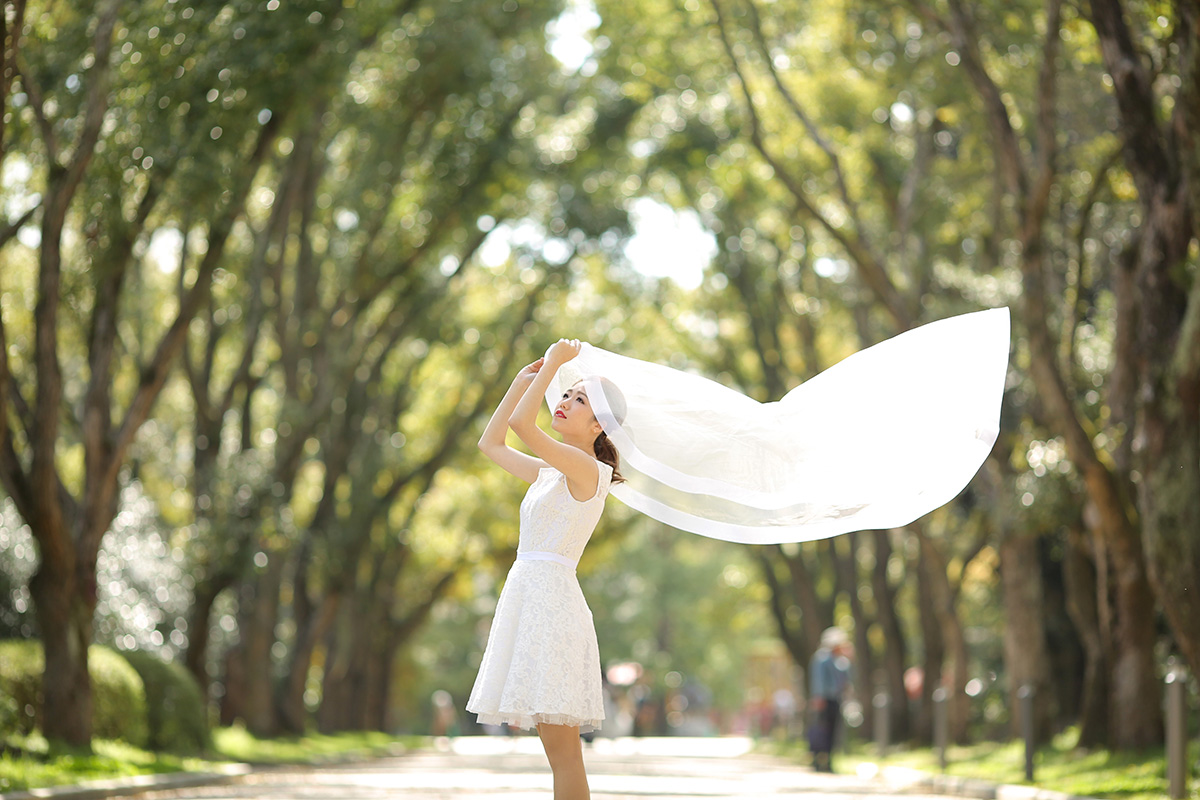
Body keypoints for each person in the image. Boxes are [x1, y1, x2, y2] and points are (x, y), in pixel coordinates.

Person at [466, 339, 623, 800]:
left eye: (579, 400)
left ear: (599, 425)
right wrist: (520, 380)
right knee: (555, 746)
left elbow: (521, 425)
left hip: (553, 610)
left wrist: (555, 363)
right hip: (532, 601)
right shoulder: (551, 471)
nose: (565, 402)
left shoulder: (588, 469)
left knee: (563, 750)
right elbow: (490, 442)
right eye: (566, 394)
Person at [808, 626, 853, 773]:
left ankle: (828, 760)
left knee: (833, 731)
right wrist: (819, 697)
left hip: (835, 699)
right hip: (824, 700)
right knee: (822, 729)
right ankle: (817, 758)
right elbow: (819, 680)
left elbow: (845, 679)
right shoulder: (821, 658)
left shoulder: (840, 661)